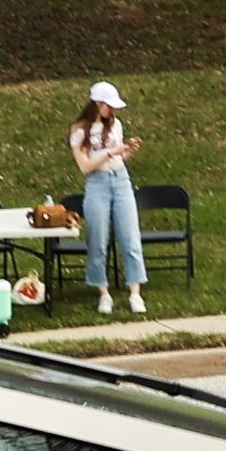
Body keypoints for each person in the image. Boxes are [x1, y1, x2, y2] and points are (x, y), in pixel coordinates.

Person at [70, 82, 145, 315]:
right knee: (98, 239)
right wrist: (110, 152)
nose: (112, 111)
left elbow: (118, 160)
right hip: (98, 183)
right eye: (109, 106)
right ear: (98, 104)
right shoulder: (79, 131)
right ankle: (103, 293)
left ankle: (135, 293)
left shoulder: (116, 125)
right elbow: (85, 166)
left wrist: (126, 152)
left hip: (121, 180)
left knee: (130, 237)